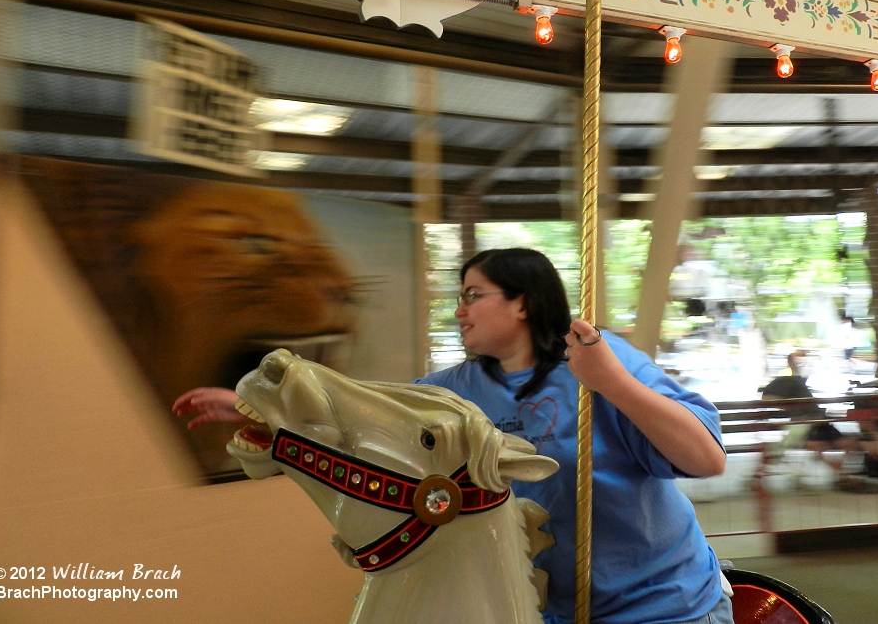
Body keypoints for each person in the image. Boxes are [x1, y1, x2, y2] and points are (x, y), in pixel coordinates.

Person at [174, 248, 733, 624]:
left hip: (660, 603)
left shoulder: (597, 358)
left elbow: (706, 458)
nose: (459, 310)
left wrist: (611, 381)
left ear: (523, 302)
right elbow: (356, 426)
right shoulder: (447, 395)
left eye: (473, 294)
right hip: (541, 608)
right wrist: (261, 412)